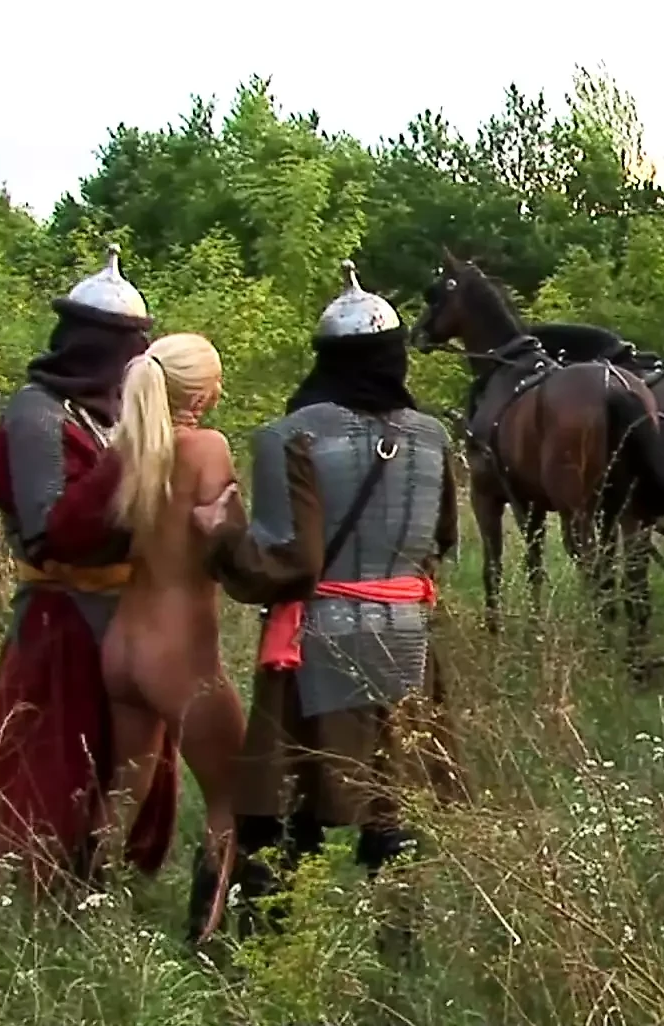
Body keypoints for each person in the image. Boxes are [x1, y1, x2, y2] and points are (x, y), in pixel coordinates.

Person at [193, 261, 464, 951]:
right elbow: (439, 544)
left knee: (285, 809)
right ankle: (399, 954)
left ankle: (267, 954)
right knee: (394, 808)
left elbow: (290, 562)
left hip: (319, 642)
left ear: (327, 358)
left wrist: (220, 540)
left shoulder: (293, 434)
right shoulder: (434, 438)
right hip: (409, 641)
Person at [0, 244, 177, 891]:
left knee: (123, 768)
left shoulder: (108, 412)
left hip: (123, 620)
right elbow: (52, 531)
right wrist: (131, 457)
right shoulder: (36, 413)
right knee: (48, 770)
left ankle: (101, 888)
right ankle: (27, 900)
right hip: (60, 621)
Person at [98, 332, 249, 944]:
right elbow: (227, 540)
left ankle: (90, 907)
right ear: (203, 392)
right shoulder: (206, 447)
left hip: (123, 646)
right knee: (233, 794)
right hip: (180, 649)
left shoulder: (126, 448)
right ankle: (207, 934)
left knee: (120, 791)